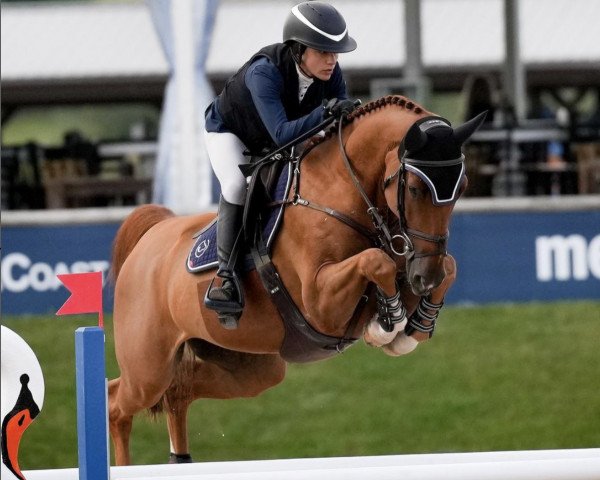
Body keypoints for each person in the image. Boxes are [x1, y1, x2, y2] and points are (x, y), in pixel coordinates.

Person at [204, 1, 359, 317]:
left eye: (335, 53)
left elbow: (342, 118)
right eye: (324, 52)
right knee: (236, 185)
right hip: (233, 133)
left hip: (279, 138)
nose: (333, 61)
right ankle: (225, 277)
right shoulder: (265, 72)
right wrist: (324, 113)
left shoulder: (331, 72)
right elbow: (282, 135)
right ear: (300, 49)